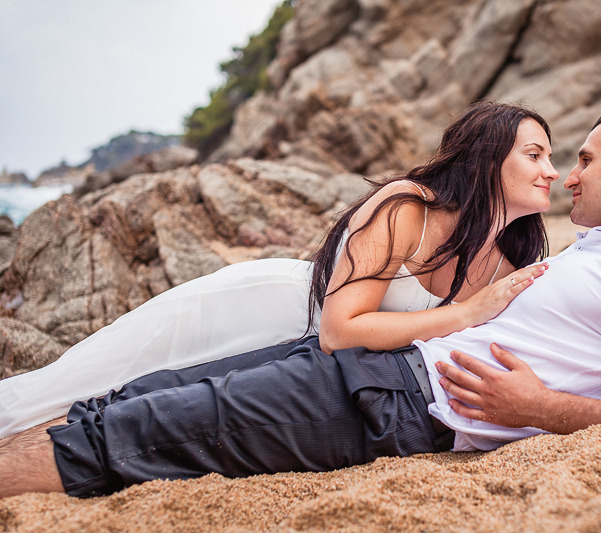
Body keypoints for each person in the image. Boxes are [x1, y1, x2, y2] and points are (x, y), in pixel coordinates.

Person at [0, 107, 601, 500]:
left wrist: (542, 409)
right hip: (375, 360)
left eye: (585, 161)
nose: (567, 176)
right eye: (547, 157)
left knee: (147, 425)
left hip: (400, 403)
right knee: (143, 392)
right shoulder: (587, 253)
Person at [0, 102, 554, 439]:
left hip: (294, 360)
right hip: (257, 311)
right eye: (535, 155)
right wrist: (464, 314)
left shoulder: (507, 262)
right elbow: (342, 330)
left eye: (552, 157)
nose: (550, 170)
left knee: (144, 411)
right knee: (81, 383)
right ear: (486, 158)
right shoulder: (408, 207)